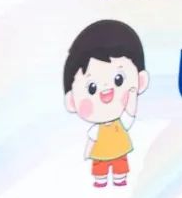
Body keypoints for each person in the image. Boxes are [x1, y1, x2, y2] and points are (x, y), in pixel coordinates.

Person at [63, 19, 150, 188]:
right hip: (101, 154)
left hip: (120, 151)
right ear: (72, 102)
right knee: (100, 167)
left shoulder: (121, 123)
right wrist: (87, 153)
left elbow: (130, 115)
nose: (105, 91)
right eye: (92, 88)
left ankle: (119, 178)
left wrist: (132, 96)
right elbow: (91, 140)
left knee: (120, 166)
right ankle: (101, 180)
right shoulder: (97, 130)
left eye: (118, 79)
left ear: (140, 81)